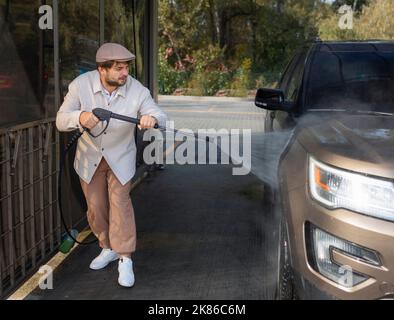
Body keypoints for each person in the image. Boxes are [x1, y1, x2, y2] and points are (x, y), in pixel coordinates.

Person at [56, 43, 168, 287]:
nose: (124, 73)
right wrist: (80, 117)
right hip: (89, 159)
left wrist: (152, 118)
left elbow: (160, 114)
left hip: (121, 157)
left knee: (120, 205)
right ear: (101, 69)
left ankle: (125, 258)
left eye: (126, 67)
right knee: (95, 208)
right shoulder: (80, 85)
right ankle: (107, 247)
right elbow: (60, 120)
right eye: (118, 68)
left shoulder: (136, 89)